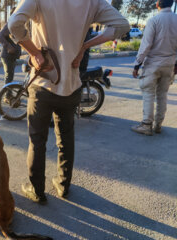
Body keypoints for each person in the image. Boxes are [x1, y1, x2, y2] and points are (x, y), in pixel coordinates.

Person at [8, 0, 129, 203]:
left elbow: (14, 24)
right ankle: (63, 186)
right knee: (66, 137)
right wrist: (84, 46)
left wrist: (35, 53)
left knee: (37, 141)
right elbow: (122, 26)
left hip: (43, 83)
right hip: (71, 84)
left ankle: (36, 190)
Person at [131, 0, 177, 136]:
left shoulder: (154, 20)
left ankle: (146, 125)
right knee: (162, 94)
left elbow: (145, 46)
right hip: (169, 64)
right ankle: (158, 125)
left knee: (149, 94)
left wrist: (137, 64)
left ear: (158, 4)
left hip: (153, 64)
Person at [0, 7, 21, 103]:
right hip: (7, 56)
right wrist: (8, 47)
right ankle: (7, 96)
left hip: (11, 56)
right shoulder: (10, 24)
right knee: (9, 76)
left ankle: (8, 94)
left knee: (10, 76)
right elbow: (0, 36)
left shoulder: (15, 24)